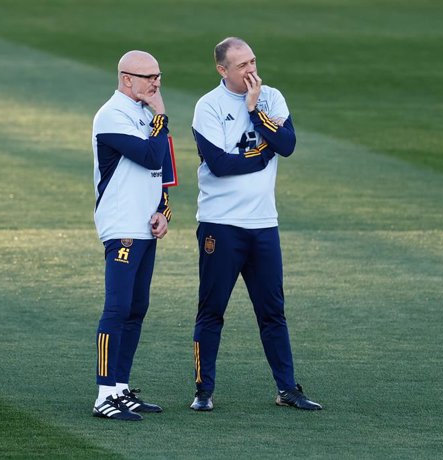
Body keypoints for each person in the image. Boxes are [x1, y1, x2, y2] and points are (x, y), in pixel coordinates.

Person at [189, 37, 321, 411]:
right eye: (242, 65)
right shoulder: (208, 106)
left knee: (272, 311)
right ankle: (203, 391)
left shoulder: (271, 98)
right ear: (222, 69)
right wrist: (262, 154)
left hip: (263, 223)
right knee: (212, 309)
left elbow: (289, 144)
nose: (251, 70)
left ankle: (287, 389)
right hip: (220, 224)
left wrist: (254, 112)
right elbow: (220, 164)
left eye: (253, 61)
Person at [90, 50, 172, 421]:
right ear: (127, 79)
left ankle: (121, 388)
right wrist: (162, 117)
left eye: (158, 76)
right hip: (122, 225)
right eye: (149, 76)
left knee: (137, 308)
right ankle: (104, 393)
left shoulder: (143, 113)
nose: (156, 83)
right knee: (118, 308)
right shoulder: (112, 115)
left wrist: (163, 211)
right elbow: (150, 156)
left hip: (144, 226)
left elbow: (162, 174)